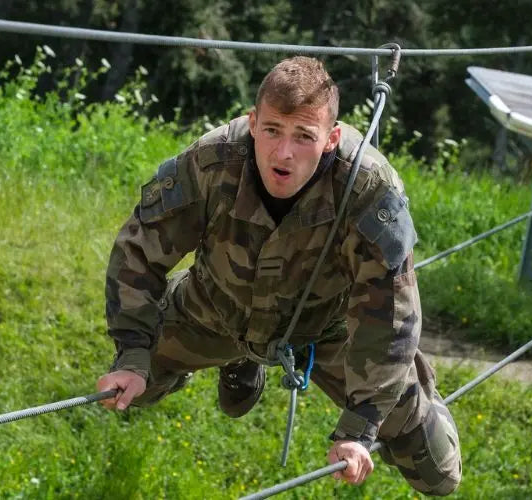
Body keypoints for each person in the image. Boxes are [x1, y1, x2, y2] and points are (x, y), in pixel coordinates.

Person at [95, 56, 461, 494]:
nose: (283, 153)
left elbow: (391, 317)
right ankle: (241, 356)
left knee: (439, 476)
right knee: (128, 390)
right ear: (253, 123)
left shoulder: (367, 190)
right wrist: (133, 352)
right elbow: (139, 250)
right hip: (213, 309)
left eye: (304, 136)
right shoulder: (213, 161)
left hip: (328, 329)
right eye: (272, 131)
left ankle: (418, 398)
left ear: (331, 138)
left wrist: (360, 426)